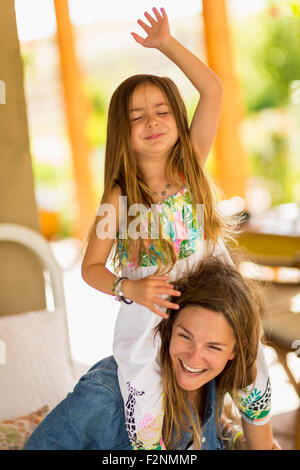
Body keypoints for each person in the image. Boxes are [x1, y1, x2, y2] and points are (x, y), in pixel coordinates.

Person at [80, 7, 272, 450]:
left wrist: (166, 44)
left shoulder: (190, 167)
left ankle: (263, 444)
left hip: (214, 294)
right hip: (153, 307)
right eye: (137, 116)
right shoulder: (118, 198)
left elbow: (213, 89)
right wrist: (129, 289)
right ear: (121, 132)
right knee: (142, 381)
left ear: (177, 121)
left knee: (250, 351)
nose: (152, 121)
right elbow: (90, 266)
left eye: (163, 110)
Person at [24, 256, 279, 450]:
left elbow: (203, 430)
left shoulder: (211, 379)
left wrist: (234, 439)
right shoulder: (107, 394)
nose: (193, 358)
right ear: (169, 327)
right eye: (185, 336)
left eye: (213, 346)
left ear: (236, 349)